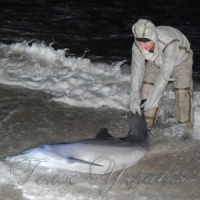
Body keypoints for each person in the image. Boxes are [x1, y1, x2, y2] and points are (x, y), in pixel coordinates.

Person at [130, 19, 194, 134]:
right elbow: (137, 69)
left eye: (145, 42)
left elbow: (164, 77)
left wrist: (153, 101)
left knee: (182, 92)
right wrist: (134, 95)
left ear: (153, 37)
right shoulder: (138, 46)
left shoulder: (169, 42)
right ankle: (146, 126)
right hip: (155, 58)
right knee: (146, 88)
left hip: (181, 59)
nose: (142, 46)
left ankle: (186, 129)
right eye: (139, 42)